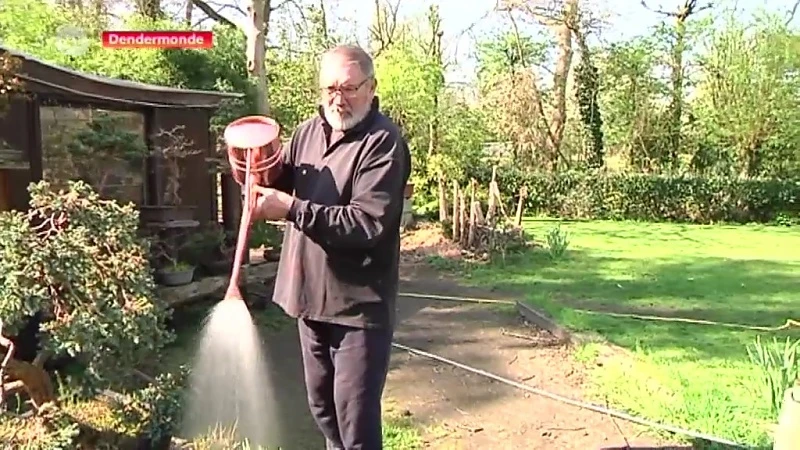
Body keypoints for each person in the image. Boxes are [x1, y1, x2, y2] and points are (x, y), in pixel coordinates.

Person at [249, 44, 411, 450]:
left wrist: (290, 208)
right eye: (329, 89)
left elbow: (366, 223)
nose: (338, 99)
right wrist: (258, 162)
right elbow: (281, 181)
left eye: (349, 88)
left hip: (357, 308)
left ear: (372, 87)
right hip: (308, 298)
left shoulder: (383, 143)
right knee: (323, 409)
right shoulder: (307, 132)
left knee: (355, 423)